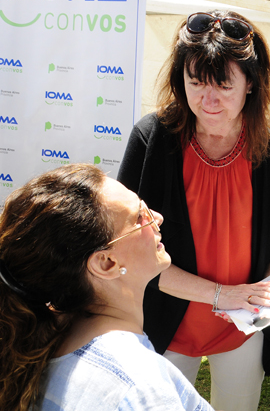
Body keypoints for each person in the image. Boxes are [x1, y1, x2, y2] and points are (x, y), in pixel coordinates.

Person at [118, 10, 270, 411]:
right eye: (196, 83)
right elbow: (130, 249)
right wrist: (223, 295)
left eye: (223, 84)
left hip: (241, 330)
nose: (209, 99)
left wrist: (268, 291)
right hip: (163, 324)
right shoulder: (151, 140)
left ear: (251, 83)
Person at [0, 164, 214, 411]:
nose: (157, 217)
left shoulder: (42, 342)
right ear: (106, 263)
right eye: (139, 217)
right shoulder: (140, 387)